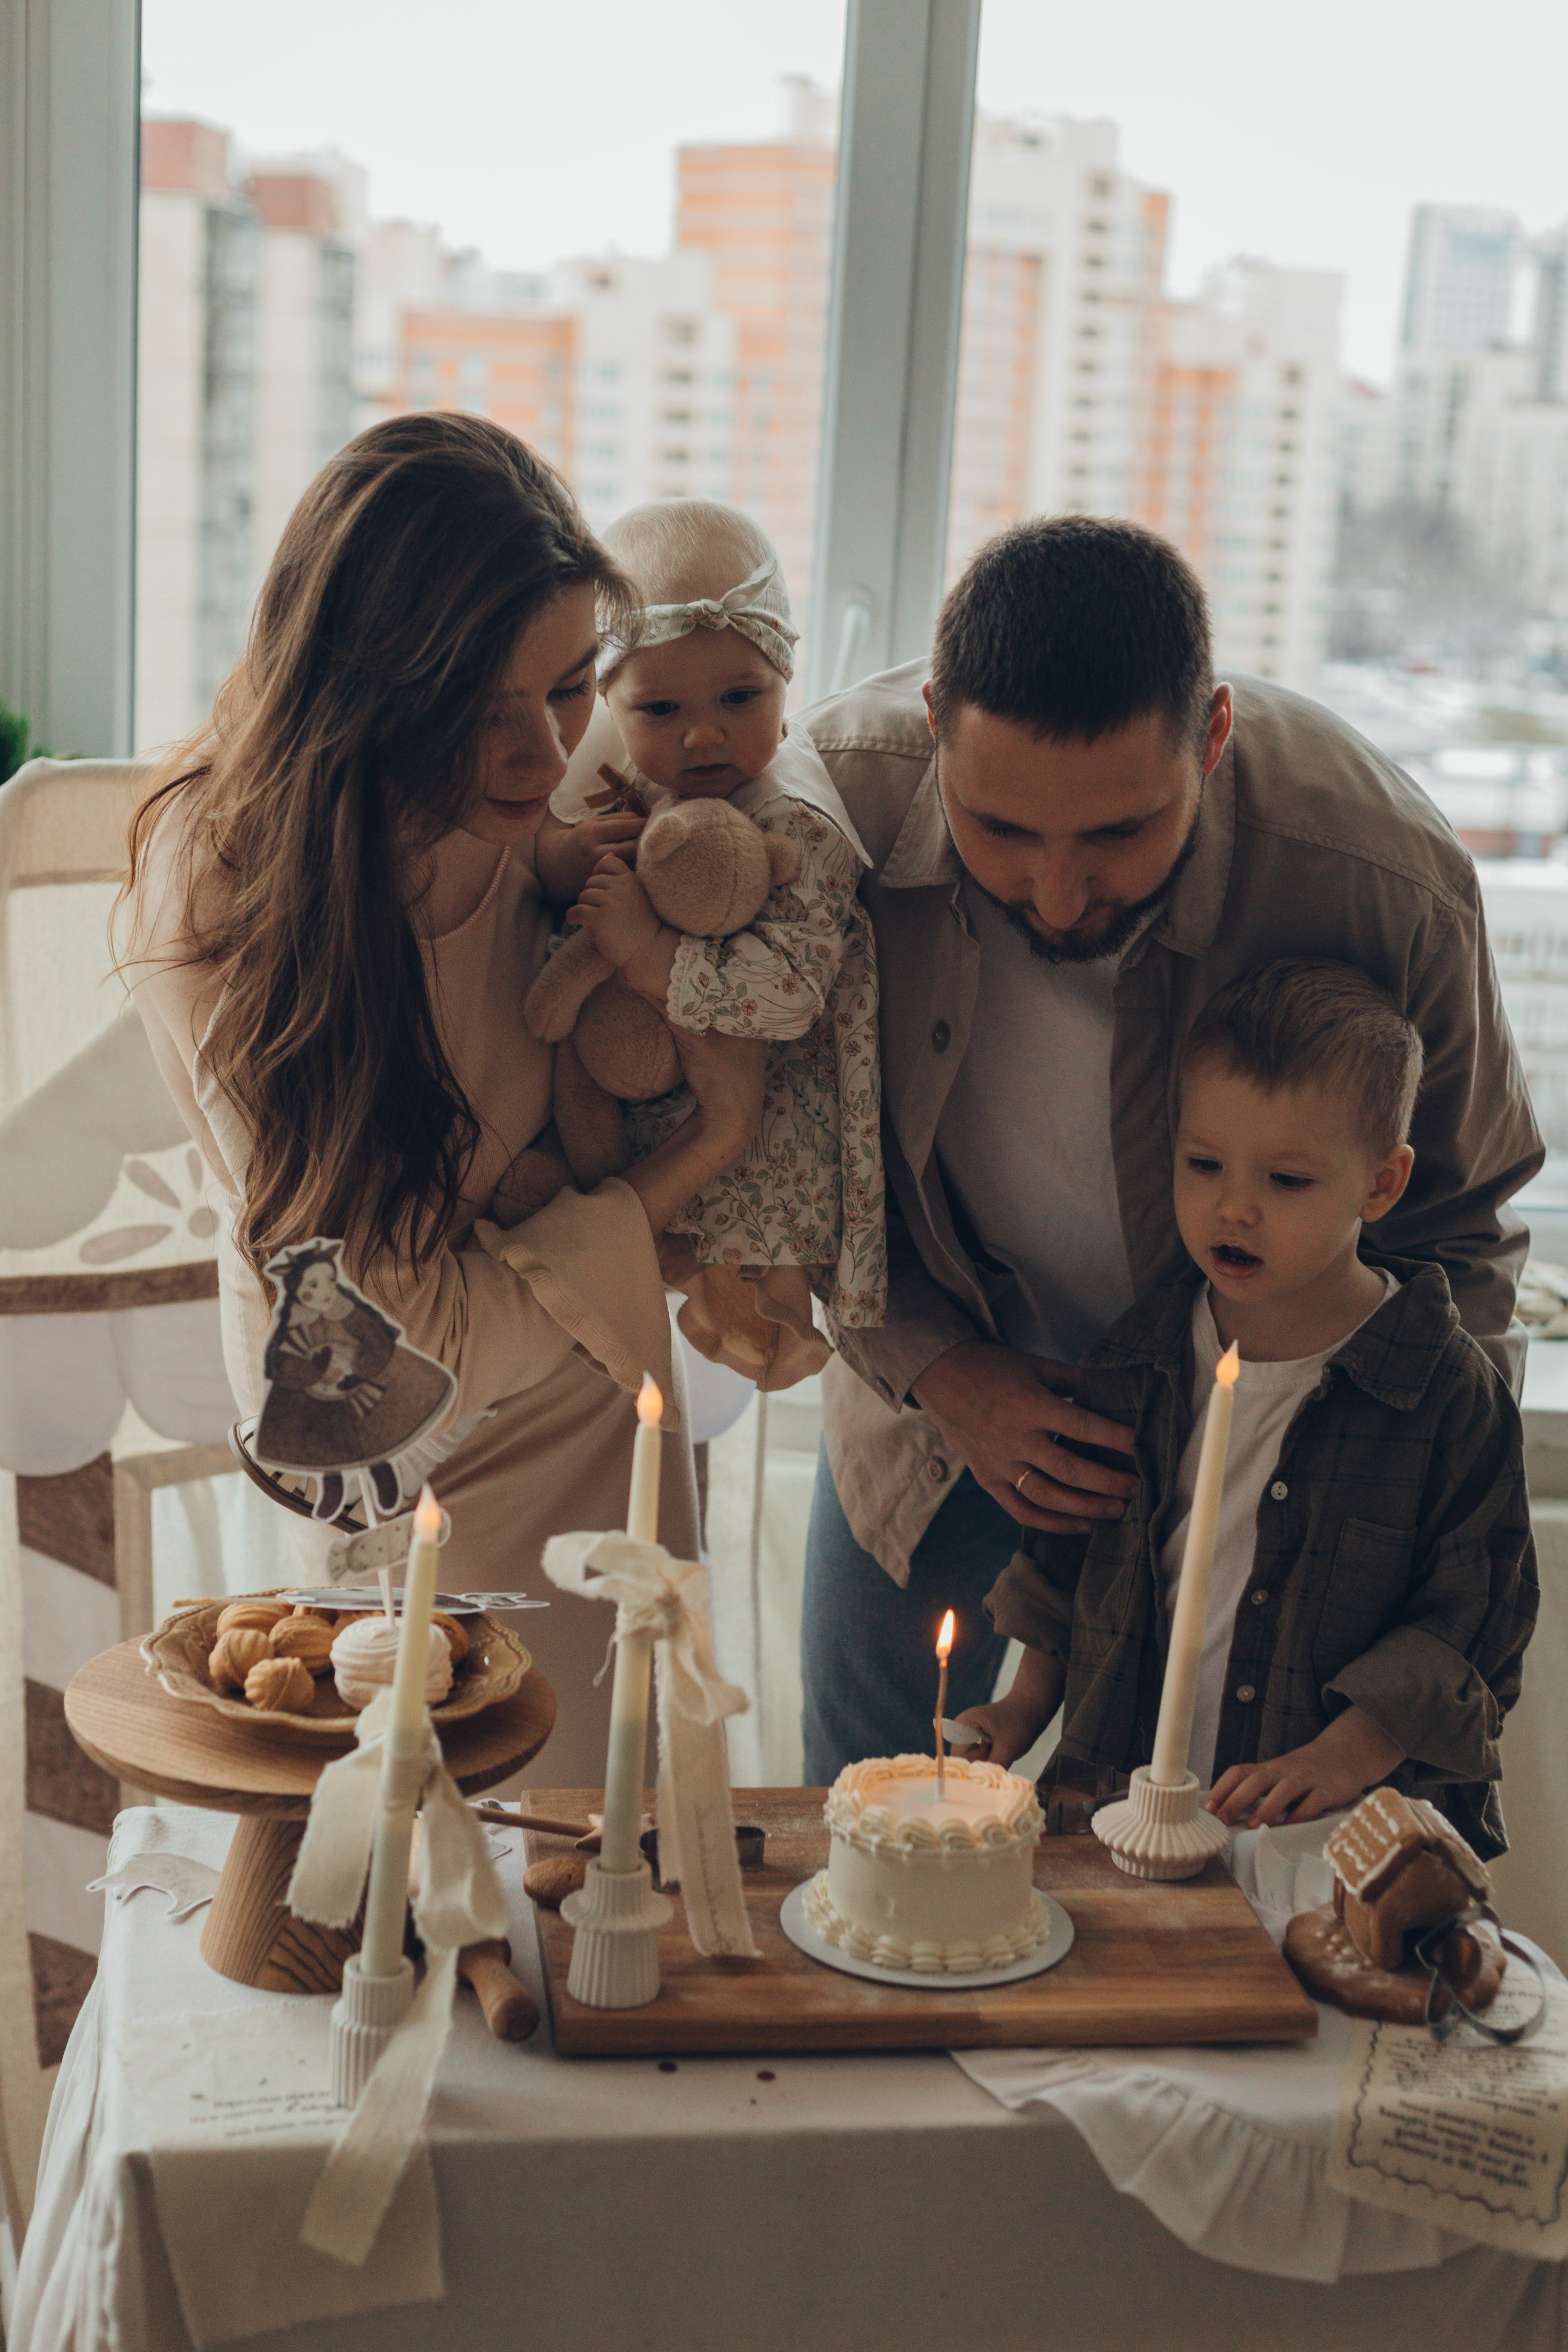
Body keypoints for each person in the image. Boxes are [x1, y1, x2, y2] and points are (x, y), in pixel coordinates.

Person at [797, 516, 1542, 1785]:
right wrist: (936, 1372)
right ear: (933, 725)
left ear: (1211, 737)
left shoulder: (1377, 874)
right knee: (867, 1841)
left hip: (1270, 1459)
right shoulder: (825, 818)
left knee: (1198, 1887)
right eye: (1000, 831)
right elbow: (789, 1180)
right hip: (930, 1425)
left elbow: (1457, 1225)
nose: (1054, 894)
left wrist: (1402, 1524)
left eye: (1114, 836)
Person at [120, 413, 765, 1784]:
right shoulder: (223, 896)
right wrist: (686, 1169)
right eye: (474, 710)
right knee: (432, 1878)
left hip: (597, 1379)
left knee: (623, 1860)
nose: (542, 762)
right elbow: (405, 1342)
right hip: (393, 1441)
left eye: (570, 687)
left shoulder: (538, 790)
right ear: (358, 691)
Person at [956, 961, 1537, 1858]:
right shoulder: (1137, 1356)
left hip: (1332, 1831)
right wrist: (1023, 1705)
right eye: (1204, 1164)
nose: (1234, 1207)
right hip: (1120, 1796)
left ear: (1380, 1186)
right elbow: (1075, 1558)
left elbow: (1476, 1614)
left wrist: (1348, 1752)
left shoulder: (1446, 1393)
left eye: (1288, 1181)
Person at [533, 499, 885, 1390]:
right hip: (683, 1102)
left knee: (730, 1281)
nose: (704, 734)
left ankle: (755, 1317)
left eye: (740, 697)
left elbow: (792, 989)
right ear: (608, 703)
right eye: (661, 708)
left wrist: (648, 953)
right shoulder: (656, 787)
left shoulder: (797, 815)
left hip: (778, 1140)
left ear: (785, 676)